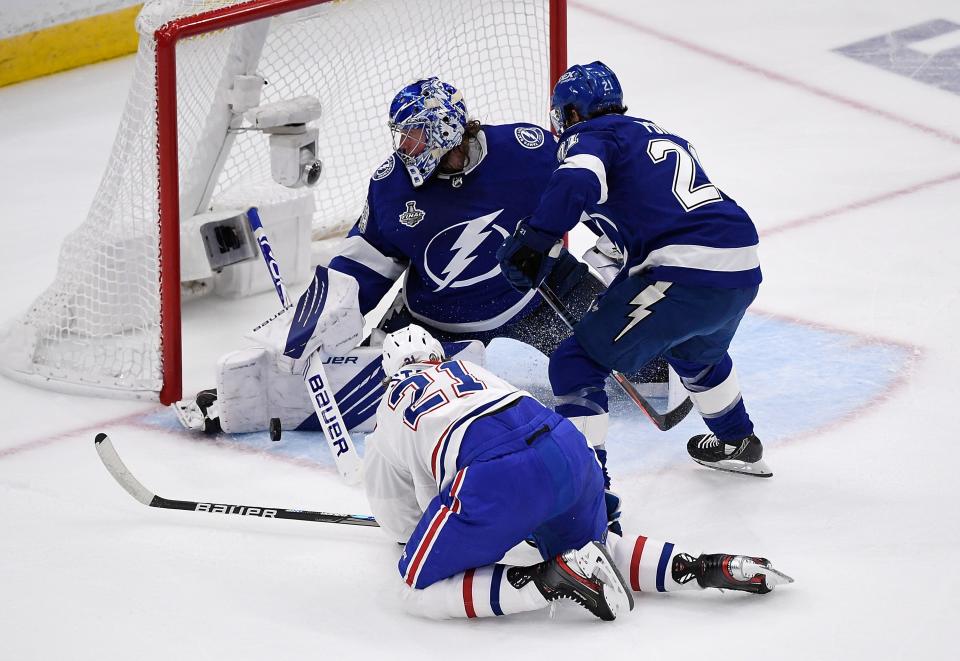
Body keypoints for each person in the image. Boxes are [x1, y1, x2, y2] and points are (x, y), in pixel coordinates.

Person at [365, 324, 792, 621]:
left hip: (496, 475)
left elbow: (399, 517)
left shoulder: (389, 408)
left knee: (413, 586)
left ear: (390, 375)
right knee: (599, 547)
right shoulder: (474, 371)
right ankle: (703, 566)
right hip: (568, 450)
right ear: (440, 356)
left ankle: (545, 580)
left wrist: (419, 537)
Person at [498, 61, 770, 478]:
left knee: (576, 362)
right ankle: (737, 440)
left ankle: (583, 486)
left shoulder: (590, 136)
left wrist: (537, 239)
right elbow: (648, 225)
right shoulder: (661, 134)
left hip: (685, 267)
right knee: (695, 351)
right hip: (741, 264)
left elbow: (578, 180)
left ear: (570, 113)